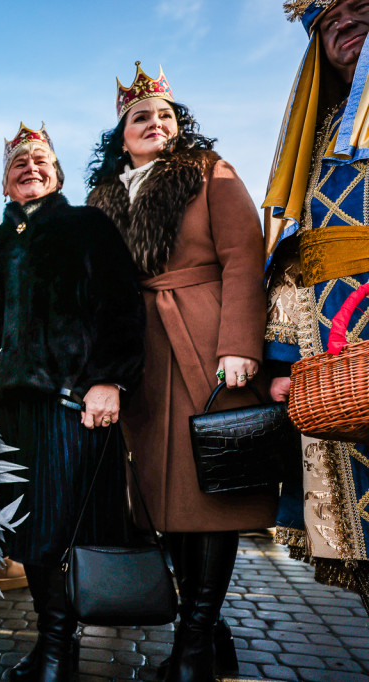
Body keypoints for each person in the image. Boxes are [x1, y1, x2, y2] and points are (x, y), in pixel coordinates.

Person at [86, 64, 275, 682]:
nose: (155, 123)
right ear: (121, 133)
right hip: (137, 346)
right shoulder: (103, 195)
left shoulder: (207, 171)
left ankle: (193, 650)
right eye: (141, 116)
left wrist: (240, 342)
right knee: (160, 497)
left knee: (211, 492)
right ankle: (210, 631)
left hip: (203, 339)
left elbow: (245, 254)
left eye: (165, 114)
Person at [0, 124, 145, 682]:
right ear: (5, 179)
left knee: (66, 528)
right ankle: (50, 642)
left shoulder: (87, 226)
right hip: (2, 411)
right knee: (29, 532)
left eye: (41, 160)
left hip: (71, 405)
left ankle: (59, 651)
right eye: (19, 163)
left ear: (57, 174)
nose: (30, 167)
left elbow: (122, 307)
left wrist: (111, 380)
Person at [264, 0, 369, 606]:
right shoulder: (322, 129)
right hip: (334, 362)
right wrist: (282, 362)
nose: (344, 24)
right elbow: (295, 254)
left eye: (359, 9)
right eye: (329, 23)